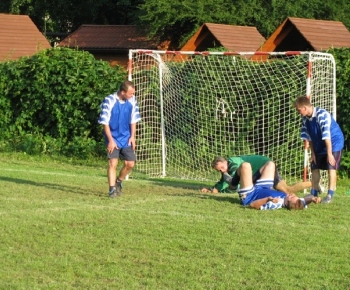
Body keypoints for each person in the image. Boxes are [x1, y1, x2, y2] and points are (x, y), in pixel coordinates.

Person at [294, 96, 344, 203]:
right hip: (319, 143)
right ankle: (314, 192)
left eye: (299, 110)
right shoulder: (304, 119)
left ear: (305, 107)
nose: (298, 112)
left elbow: (327, 136)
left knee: (331, 166)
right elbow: (309, 138)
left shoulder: (322, 114)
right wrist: (313, 153)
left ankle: (330, 195)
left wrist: (329, 154)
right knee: (314, 166)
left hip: (334, 142)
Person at [98, 80, 141, 198]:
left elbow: (134, 120)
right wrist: (110, 140)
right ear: (123, 92)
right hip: (112, 137)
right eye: (131, 93)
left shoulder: (132, 101)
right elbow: (105, 122)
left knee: (130, 164)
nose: (133, 96)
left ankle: (119, 181)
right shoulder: (109, 101)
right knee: (113, 163)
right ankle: (112, 190)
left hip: (126, 137)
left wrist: (132, 136)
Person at [201, 155, 311, 195]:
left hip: (264, 167)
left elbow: (234, 184)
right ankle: (315, 184)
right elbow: (223, 181)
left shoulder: (233, 164)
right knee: (286, 191)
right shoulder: (228, 166)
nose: (222, 171)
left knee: (287, 191)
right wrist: (212, 189)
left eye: (222, 167)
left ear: (225, 161)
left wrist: (221, 191)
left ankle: (314, 184)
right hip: (264, 166)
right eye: (219, 170)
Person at [231, 161, 320, 210]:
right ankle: (250, 180)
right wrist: (312, 199)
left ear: (287, 203)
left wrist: (267, 199)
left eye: (292, 197)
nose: (293, 195)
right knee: (270, 164)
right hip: (263, 187)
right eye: (295, 196)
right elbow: (304, 200)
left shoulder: (276, 204)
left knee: (245, 166)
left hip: (249, 195)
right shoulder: (295, 201)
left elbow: (252, 205)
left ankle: (233, 183)